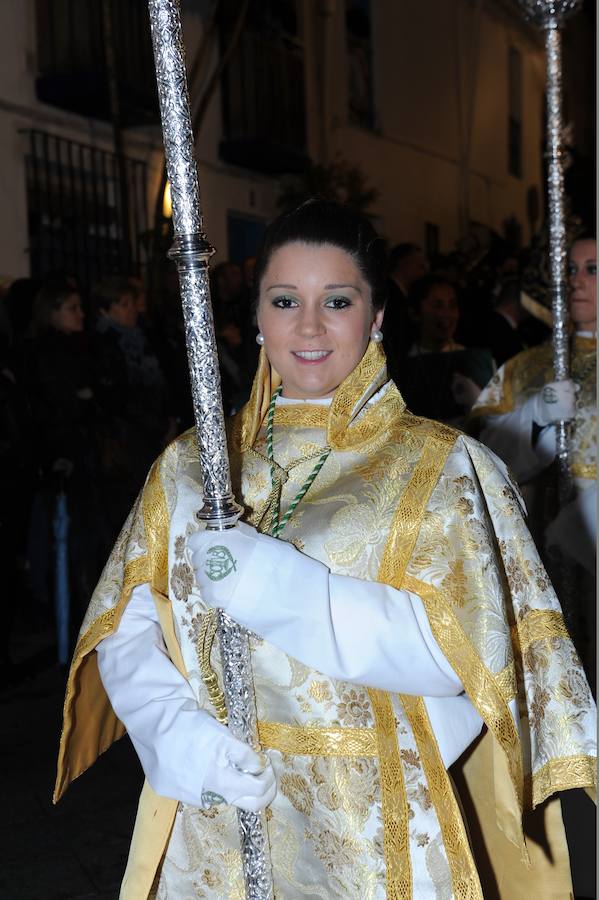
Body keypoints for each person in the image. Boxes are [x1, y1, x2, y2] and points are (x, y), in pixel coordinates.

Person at [55, 201, 595, 899]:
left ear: (373, 318)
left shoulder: (442, 468)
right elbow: (126, 627)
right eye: (285, 301)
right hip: (212, 818)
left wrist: (274, 590)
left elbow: (453, 653)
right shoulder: (190, 466)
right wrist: (180, 737)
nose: (308, 327)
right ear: (256, 317)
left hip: (377, 825)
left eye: (335, 301)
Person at [470, 235, 596, 683]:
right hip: (545, 543)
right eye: (570, 269)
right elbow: (483, 459)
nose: (577, 281)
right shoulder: (525, 369)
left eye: (592, 270)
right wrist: (535, 416)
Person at [398, 274, 495, 425]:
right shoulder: (400, 366)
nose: (447, 314)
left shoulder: (474, 361)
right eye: (438, 305)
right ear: (415, 313)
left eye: (452, 305)